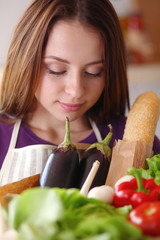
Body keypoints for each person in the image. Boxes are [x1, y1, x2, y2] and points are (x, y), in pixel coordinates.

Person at [0, 0, 159, 186]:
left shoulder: (131, 141)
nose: (76, 90)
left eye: (94, 72)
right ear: (25, 62)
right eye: (56, 69)